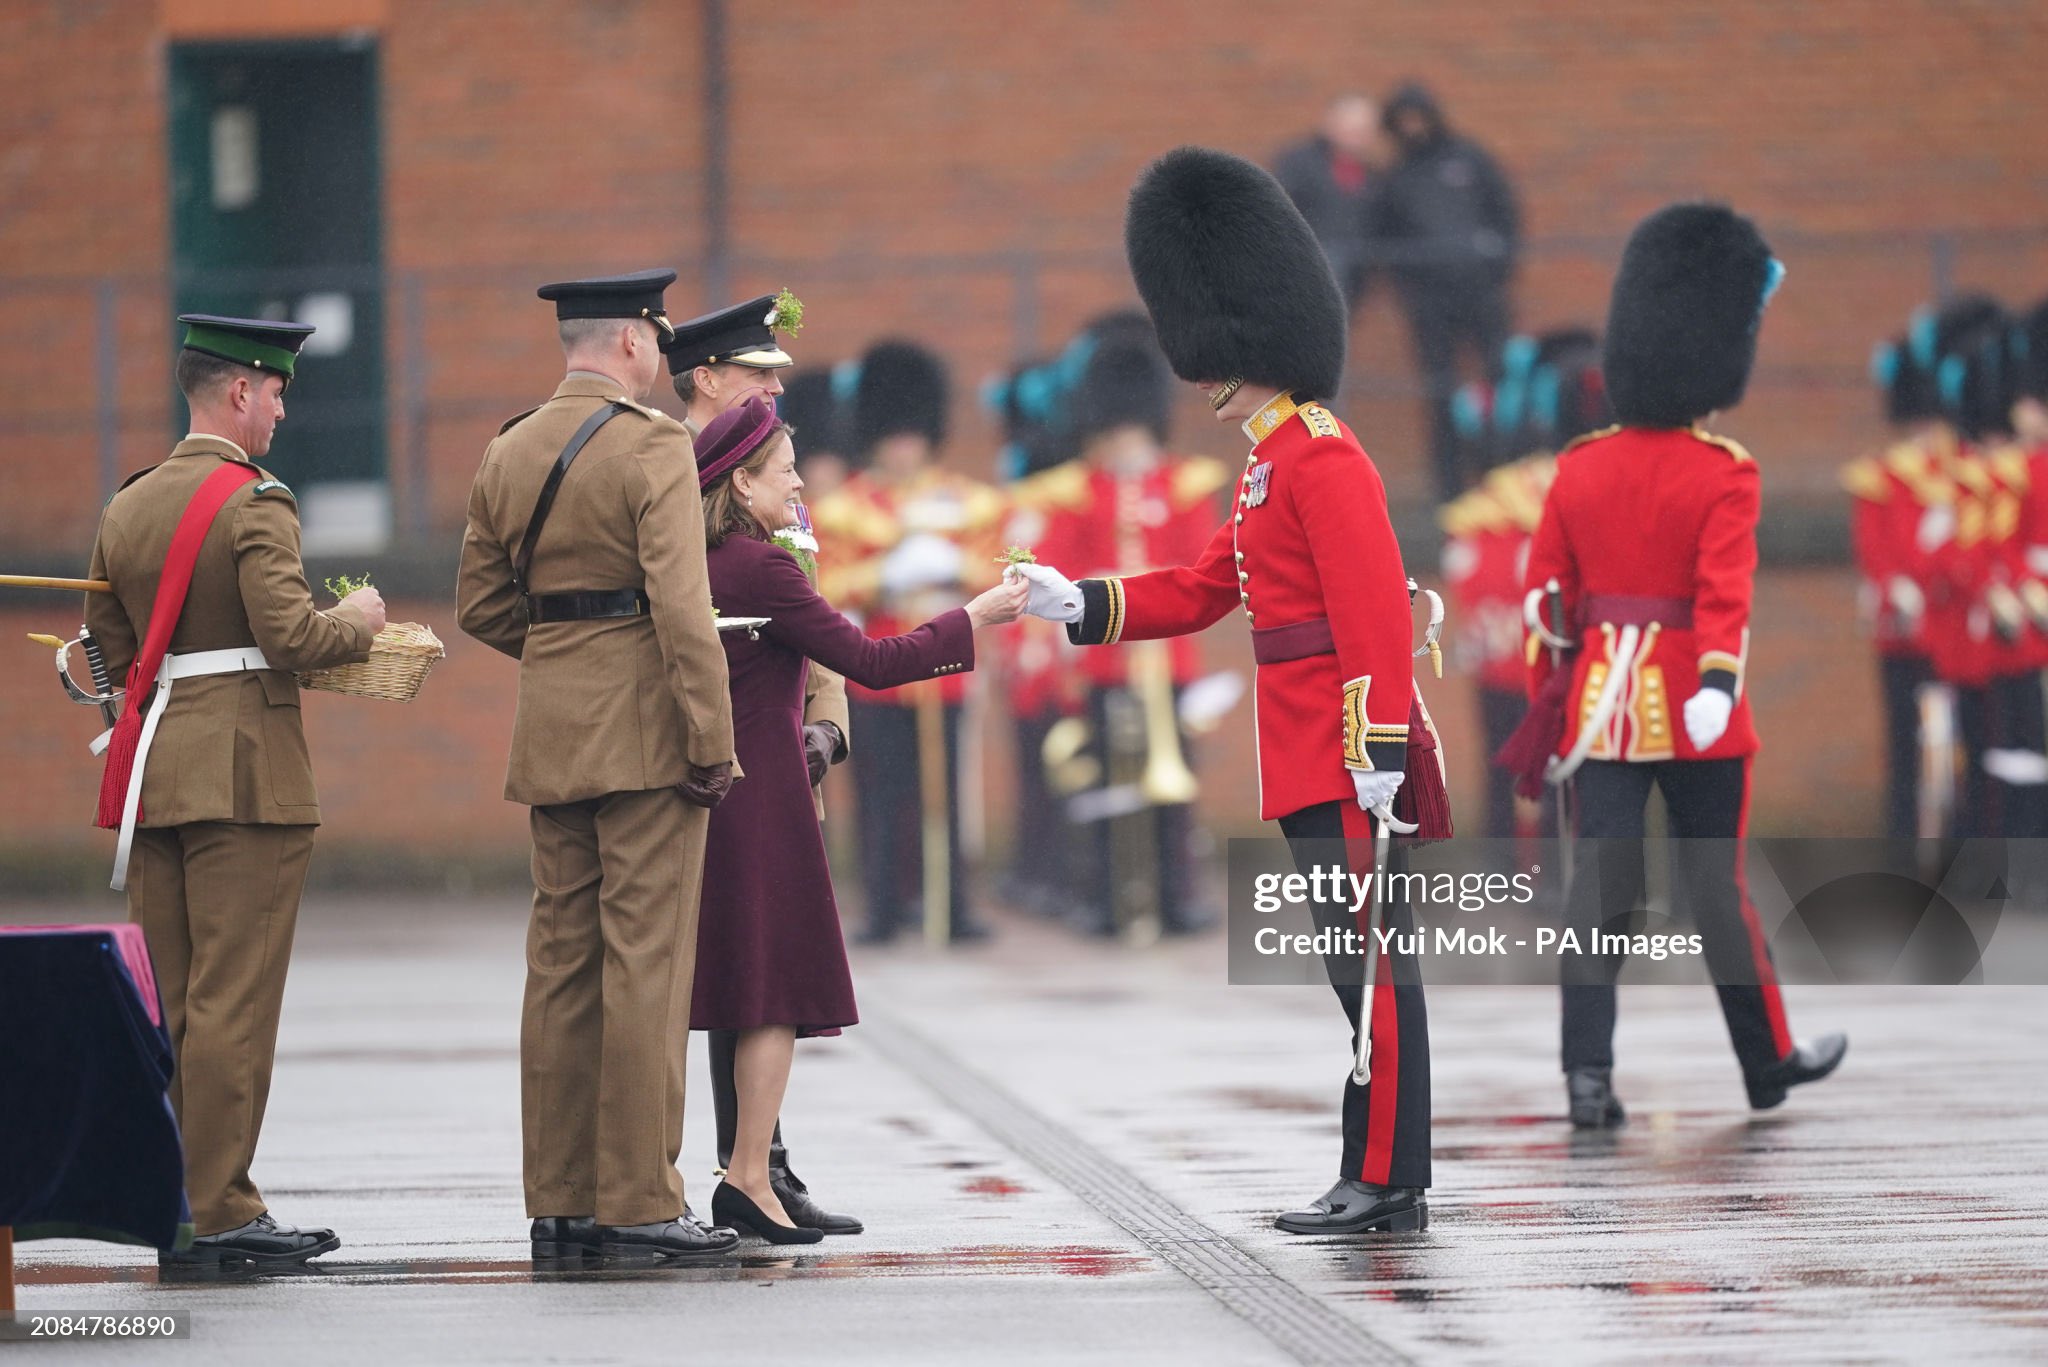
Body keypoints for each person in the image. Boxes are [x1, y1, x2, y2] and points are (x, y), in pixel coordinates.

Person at [1015, 146, 1452, 1236]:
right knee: (1348, 965)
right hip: (1299, 741)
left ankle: (1388, 1172)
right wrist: (1080, 603)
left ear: (1252, 341)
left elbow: (1369, 615)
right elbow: (1202, 587)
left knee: (1370, 964)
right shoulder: (1266, 466)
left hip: (1343, 746)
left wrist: (1378, 746)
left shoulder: (1321, 455)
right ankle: (1374, 1163)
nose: (1197, 371)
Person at [1507, 204, 1846, 1129]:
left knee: (1599, 896)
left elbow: (1543, 598)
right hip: (1695, 701)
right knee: (1716, 892)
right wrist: (1716, 683)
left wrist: (1559, 686)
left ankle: (1586, 1076)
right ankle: (1766, 1062)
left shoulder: (1578, 467)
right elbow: (1723, 592)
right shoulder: (1725, 470)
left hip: (1602, 707)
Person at [85, 313, 383, 1276]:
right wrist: (361, 619)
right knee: (233, 1001)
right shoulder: (255, 500)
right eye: (278, 393)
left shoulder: (129, 504)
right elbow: (293, 636)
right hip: (246, 775)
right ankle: (221, 1207)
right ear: (240, 393)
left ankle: (171, 1198)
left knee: (167, 999)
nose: (283, 412)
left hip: (160, 769)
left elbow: (111, 657)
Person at [690, 397, 1027, 1240]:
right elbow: (875, 661)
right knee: (775, 995)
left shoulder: (699, 558)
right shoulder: (760, 566)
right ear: (741, 483)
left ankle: (751, 1173)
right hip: (767, 790)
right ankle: (747, 1176)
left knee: (751, 986)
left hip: (723, 788)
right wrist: (974, 617)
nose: (801, 481)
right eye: (784, 471)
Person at [456, 269, 739, 1264]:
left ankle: (562, 1198)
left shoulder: (509, 444)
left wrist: (567, 662)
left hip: (553, 735)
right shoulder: (655, 442)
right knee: (647, 968)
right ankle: (638, 1198)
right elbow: (679, 606)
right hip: (647, 739)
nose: (661, 358)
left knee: (560, 969)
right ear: (629, 341)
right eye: (657, 340)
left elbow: (482, 605)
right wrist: (712, 740)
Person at [661, 292, 860, 1235]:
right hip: (706, 758)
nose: (774, 393)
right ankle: (723, 1169)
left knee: (763, 969)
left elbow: (812, 621)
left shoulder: (765, 480)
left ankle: (762, 1162)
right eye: (757, 376)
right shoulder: (667, 471)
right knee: (731, 972)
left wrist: (828, 725)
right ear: (707, 380)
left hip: (782, 748)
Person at [1031, 317, 1229, 937]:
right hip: (1105, 659)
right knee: (1104, 782)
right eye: (1114, 432)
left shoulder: (1184, 484)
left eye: (1132, 431)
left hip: (1167, 657)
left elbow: (1203, 563)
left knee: (1173, 786)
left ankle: (1174, 895)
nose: (1123, 445)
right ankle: (1108, 896)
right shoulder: (1079, 491)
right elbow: (1057, 565)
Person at [811, 341, 1009, 944]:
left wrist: (952, 564)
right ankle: (885, 907)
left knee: (946, 794)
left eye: (911, 435)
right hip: (876, 673)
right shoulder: (845, 508)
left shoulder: (965, 502)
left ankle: (950, 904)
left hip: (942, 670)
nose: (902, 446)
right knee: (879, 796)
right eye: (893, 436)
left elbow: (997, 571)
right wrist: (885, 576)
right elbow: (827, 584)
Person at [1362, 82, 1521, 500]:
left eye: (1418, 117)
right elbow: (1384, 242)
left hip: (1483, 294)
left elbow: (1505, 213)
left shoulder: (1469, 159)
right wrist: (1409, 291)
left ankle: (1504, 477)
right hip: (1430, 304)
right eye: (1403, 121)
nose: (1413, 128)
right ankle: (1449, 491)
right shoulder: (1395, 178)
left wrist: (1495, 267)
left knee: (1500, 387)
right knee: (1441, 393)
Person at [1272, 93, 1380, 312]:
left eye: (1365, 131)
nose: (1359, 138)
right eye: (1353, 130)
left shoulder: (1371, 172)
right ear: (1332, 125)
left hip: (1355, 268)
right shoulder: (1299, 163)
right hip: (1309, 269)